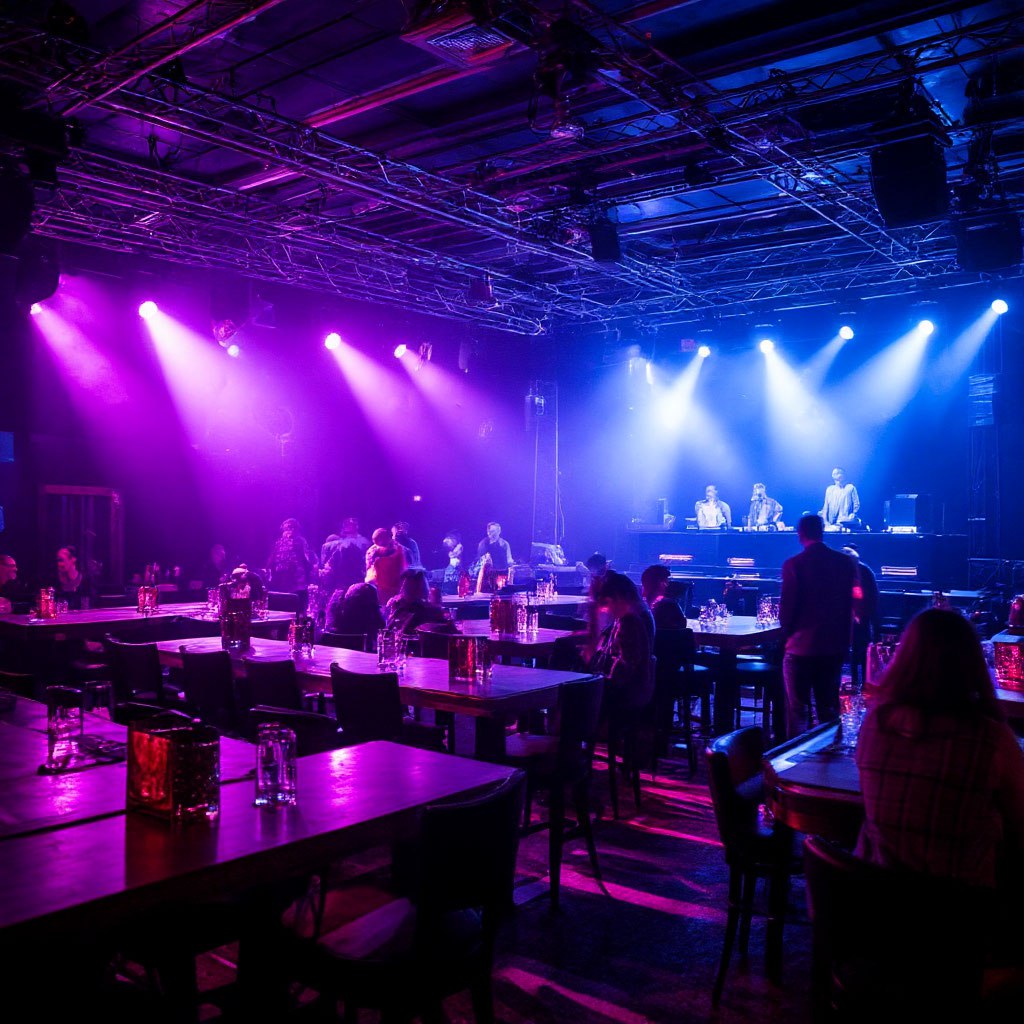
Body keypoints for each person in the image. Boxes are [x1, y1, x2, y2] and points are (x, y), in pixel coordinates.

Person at [855, 608, 1024, 890]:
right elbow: (1019, 821)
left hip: (876, 899)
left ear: (905, 658)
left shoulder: (875, 724)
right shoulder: (991, 740)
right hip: (962, 907)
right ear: (971, 663)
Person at [779, 514, 856, 738]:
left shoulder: (794, 564)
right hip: (833, 645)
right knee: (828, 708)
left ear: (800, 534)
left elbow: (786, 612)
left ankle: (795, 755)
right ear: (822, 531)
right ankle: (832, 752)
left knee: (798, 711)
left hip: (801, 646)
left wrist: (785, 638)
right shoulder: (845, 563)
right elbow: (850, 605)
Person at [589, 571, 655, 710]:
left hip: (625, 692)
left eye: (607, 603)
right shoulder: (635, 614)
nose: (606, 610)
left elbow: (624, 669)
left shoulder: (630, 622)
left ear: (619, 597)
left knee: (570, 689)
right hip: (633, 688)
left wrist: (597, 677)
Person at [843, 542, 879, 686]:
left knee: (859, 648)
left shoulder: (860, 570)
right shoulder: (864, 570)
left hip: (859, 615)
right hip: (858, 615)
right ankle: (860, 680)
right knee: (859, 649)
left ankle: (859, 680)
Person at [385, 569, 450, 635]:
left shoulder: (424, 612)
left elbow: (388, 633)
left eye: (405, 586)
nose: (401, 590)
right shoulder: (434, 610)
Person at [266, 518, 316, 594]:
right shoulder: (300, 540)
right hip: (295, 576)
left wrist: (269, 570)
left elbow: (272, 558)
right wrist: (311, 570)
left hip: (283, 577)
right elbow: (306, 558)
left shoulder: (279, 542)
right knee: (295, 596)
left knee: (287, 596)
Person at [324, 517, 370, 594]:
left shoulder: (363, 542)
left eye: (350, 525)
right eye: (347, 525)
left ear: (356, 526)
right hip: (342, 576)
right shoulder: (337, 542)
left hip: (355, 574)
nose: (348, 527)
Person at [365, 527, 406, 605]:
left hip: (396, 586)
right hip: (380, 587)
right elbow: (369, 569)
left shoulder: (399, 549)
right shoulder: (372, 551)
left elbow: (403, 567)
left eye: (384, 538)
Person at [640, 563, 687, 630]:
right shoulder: (669, 605)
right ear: (660, 583)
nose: (667, 584)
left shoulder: (641, 606)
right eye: (666, 581)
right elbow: (682, 626)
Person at [54, 545, 95, 610]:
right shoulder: (54, 581)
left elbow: (90, 607)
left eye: (61, 560)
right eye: (58, 561)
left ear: (73, 559)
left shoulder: (86, 581)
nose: (59, 564)